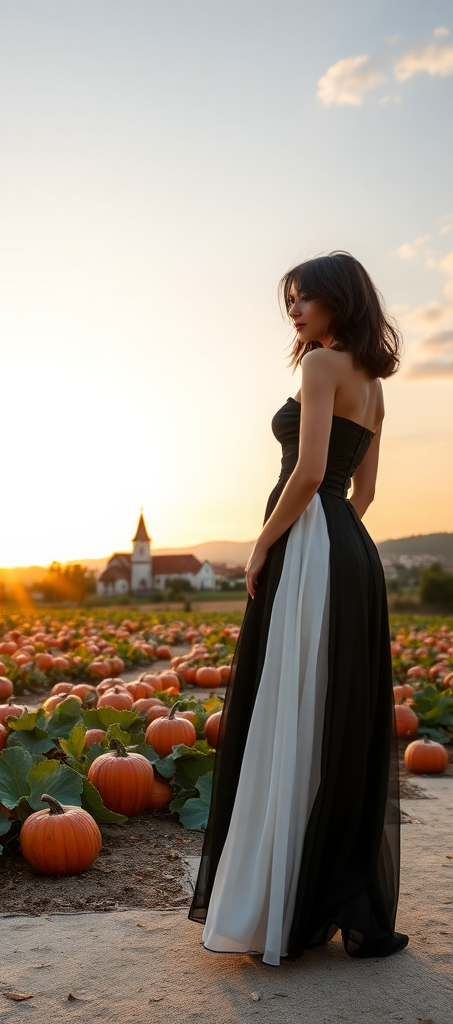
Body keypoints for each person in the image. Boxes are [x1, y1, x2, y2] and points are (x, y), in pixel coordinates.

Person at [188, 251, 407, 965]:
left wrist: (260, 546)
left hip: (311, 548)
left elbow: (310, 472)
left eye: (305, 297)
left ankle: (277, 905)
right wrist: (337, 543)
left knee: (289, 711)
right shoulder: (374, 384)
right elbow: (360, 492)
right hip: (351, 552)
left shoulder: (319, 367)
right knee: (330, 718)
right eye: (290, 299)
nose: (294, 309)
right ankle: (321, 895)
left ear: (340, 301)